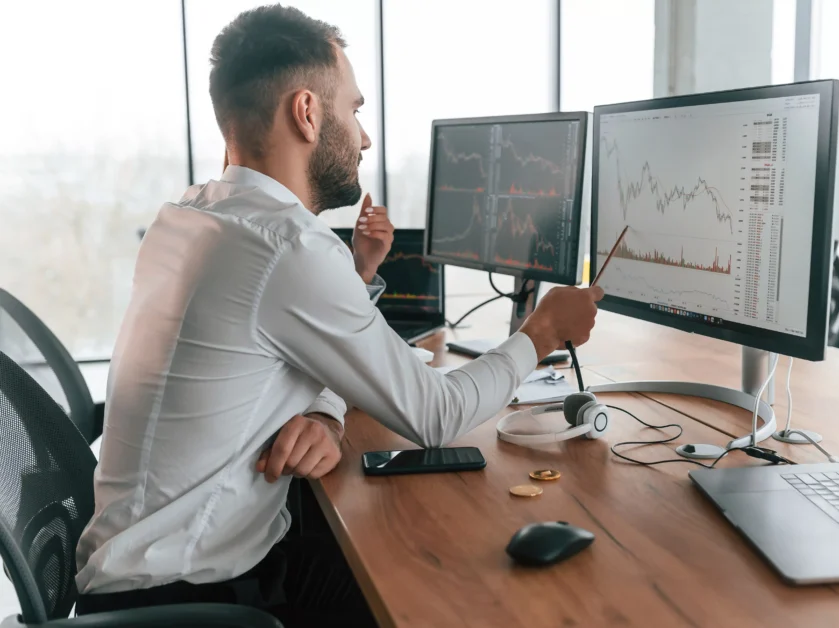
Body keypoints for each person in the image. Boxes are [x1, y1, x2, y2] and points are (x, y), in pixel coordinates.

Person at [74, 5, 602, 626]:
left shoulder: (191, 214)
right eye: (353, 110)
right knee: (450, 585)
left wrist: (323, 412)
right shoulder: (288, 247)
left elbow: (268, 357)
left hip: (148, 572)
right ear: (306, 112)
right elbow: (436, 416)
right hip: (190, 601)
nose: (366, 136)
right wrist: (540, 333)